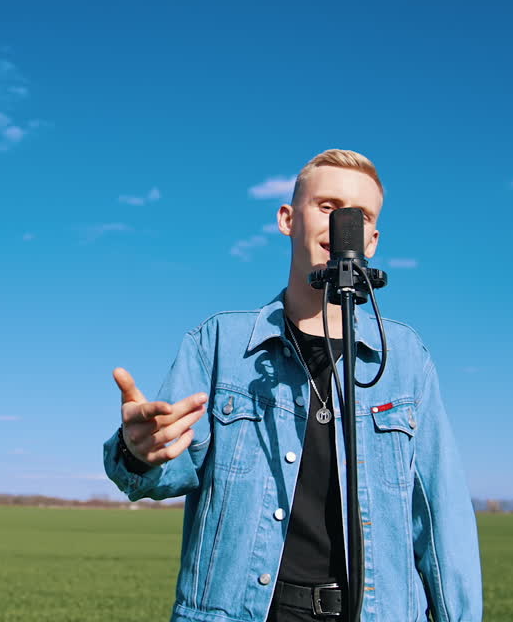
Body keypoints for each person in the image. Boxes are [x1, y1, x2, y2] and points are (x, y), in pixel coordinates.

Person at [103, 150, 482, 622]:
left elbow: (442, 515)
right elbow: (166, 472)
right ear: (287, 219)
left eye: (360, 215)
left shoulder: (405, 358)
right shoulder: (219, 343)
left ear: (374, 239)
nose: (344, 224)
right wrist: (138, 451)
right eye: (327, 206)